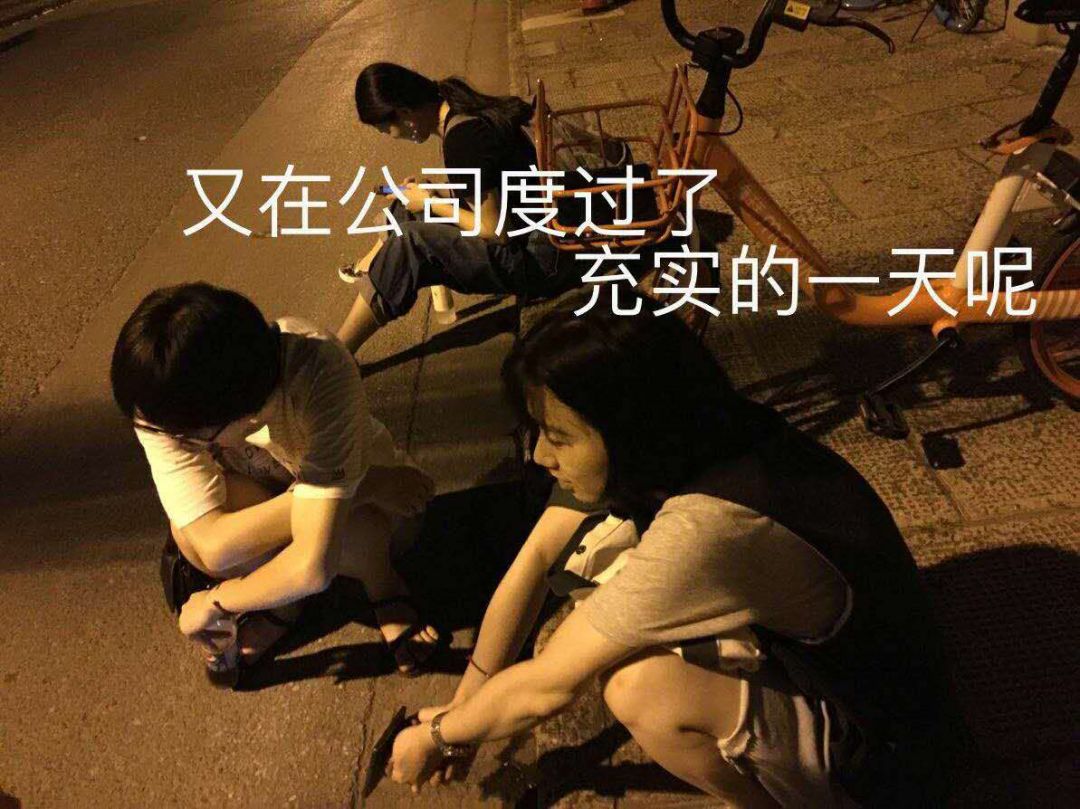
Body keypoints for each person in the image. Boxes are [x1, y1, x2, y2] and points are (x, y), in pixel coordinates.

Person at [387, 293, 959, 806]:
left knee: (638, 687)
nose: (539, 456)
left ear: (628, 428)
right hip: (840, 656)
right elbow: (535, 560)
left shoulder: (708, 527)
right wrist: (466, 708)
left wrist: (435, 736)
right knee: (604, 585)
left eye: (558, 437)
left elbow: (548, 687)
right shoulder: (699, 427)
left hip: (888, 749)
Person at [111, 282, 442, 681]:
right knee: (192, 539)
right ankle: (287, 600)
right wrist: (359, 487)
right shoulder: (159, 406)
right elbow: (212, 544)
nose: (173, 441)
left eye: (190, 438)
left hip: (384, 517)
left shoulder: (319, 371)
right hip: (354, 489)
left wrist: (217, 602)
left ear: (243, 415)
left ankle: (382, 583)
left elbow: (312, 566)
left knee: (355, 530)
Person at [336, 62, 580, 353]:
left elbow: (495, 230)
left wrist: (432, 201)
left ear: (404, 113)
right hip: (541, 228)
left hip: (540, 259)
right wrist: (431, 194)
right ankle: (372, 275)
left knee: (410, 243)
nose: (392, 136)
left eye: (386, 129)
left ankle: (338, 353)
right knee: (407, 209)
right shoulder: (457, 105)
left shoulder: (464, 139)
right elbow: (491, 185)